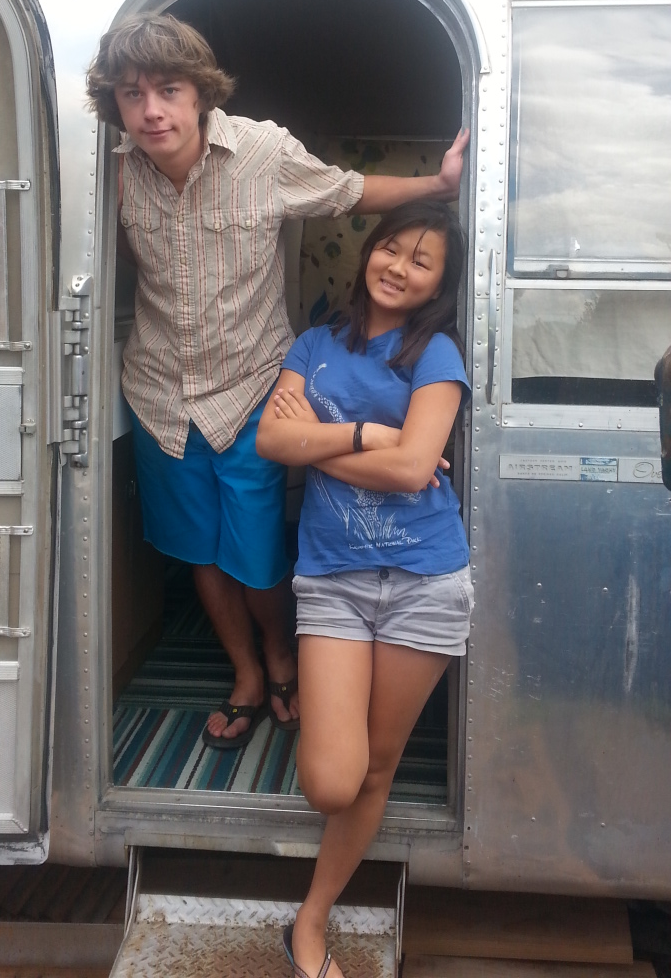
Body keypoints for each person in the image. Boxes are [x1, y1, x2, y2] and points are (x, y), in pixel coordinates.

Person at [86, 13, 468, 749]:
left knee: (257, 552)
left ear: (201, 92)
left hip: (253, 386)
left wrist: (440, 185)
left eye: (169, 90)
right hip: (159, 392)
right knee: (197, 550)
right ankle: (247, 675)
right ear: (117, 105)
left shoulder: (260, 152)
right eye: (132, 95)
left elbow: (347, 191)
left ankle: (282, 656)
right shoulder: (113, 171)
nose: (152, 111)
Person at [256, 199, 472, 978]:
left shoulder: (436, 353)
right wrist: (366, 435)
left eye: (422, 262)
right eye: (392, 248)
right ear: (369, 250)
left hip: (425, 579)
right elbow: (270, 438)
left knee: (377, 769)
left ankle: (309, 922)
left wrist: (316, 442)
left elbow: (414, 470)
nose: (400, 268)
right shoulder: (314, 343)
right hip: (335, 579)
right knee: (330, 781)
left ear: (439, 284)